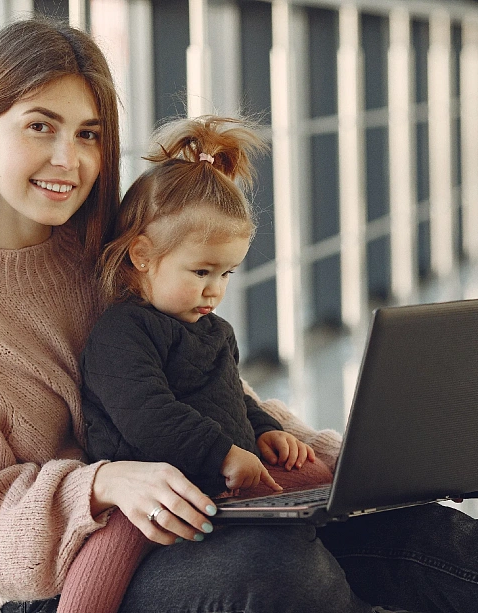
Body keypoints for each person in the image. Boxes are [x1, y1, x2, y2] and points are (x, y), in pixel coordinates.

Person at [0, 15, 478, 613]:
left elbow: (202, 379)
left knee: (423, 531)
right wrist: (105, 482)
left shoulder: (106, 251)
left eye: (88, 134)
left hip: (196, 518)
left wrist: (314, 451)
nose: (67, 160)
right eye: (39, 126)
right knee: (287, 573)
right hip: (69, 579)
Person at [55, 115, 334, 613]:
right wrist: (224, 454)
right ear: (142, 255)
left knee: (325, 480)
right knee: (103, 567)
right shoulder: (123, 332)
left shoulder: (214, 331)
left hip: (217, 486)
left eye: (226, 272)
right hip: (146, 499)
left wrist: (266, 429)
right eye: (201, 271)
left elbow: (233, 398)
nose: (215, 289)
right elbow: (147, 416)